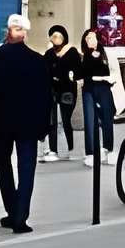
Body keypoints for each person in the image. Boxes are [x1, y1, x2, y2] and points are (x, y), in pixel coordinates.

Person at [0, 12, 50, 234]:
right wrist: (44, 126)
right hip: (28, 122)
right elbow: (45, 96)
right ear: (24, 34)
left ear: (8, 31)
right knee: (27, 167)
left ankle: (13, 210)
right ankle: (20, 215)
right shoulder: (37, 60)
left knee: (3, 165)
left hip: (2, 121)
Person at [78, 24, 121, 164]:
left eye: (91, 37)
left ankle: (108, 149)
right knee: (90, 120)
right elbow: (80, 74)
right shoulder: (84, 55)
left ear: (97, 38)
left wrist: (106, 79)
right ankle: (90, 152)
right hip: (89, 88)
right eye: (86, 38)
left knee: (107, 119)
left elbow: (114, 72)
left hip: (104, 87)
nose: (88, 40)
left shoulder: (107, 53)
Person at [43, 25, 81, 162]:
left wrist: (62, 75)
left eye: (59, 36)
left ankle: (71, 148)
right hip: (52, 91)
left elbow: (76, 71)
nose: (56, 39)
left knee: (66, 120)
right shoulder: (49, 54)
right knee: (52, 121)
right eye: (53, 36)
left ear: (64, 38)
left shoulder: (71, 52)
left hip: (67, 90)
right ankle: (53, 150)